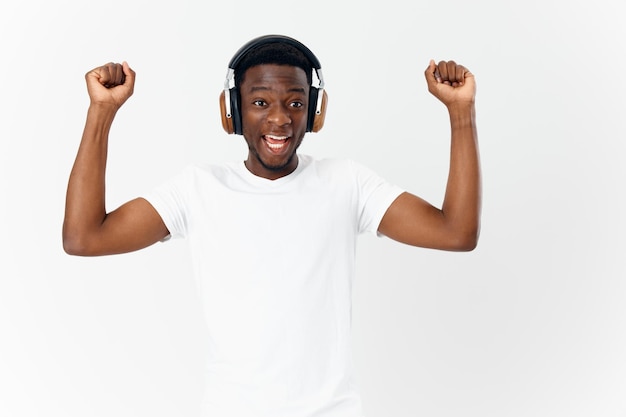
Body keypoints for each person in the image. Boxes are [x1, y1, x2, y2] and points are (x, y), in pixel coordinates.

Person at [63, 34, 481, 417]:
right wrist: (101, 111)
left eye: (296, 103)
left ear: (315, 113)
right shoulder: (198, 189)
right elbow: (85, 237)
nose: (280, 119)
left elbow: (456, 232)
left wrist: (461, 114)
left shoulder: (346, 183)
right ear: (233, 112)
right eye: (261, 102)